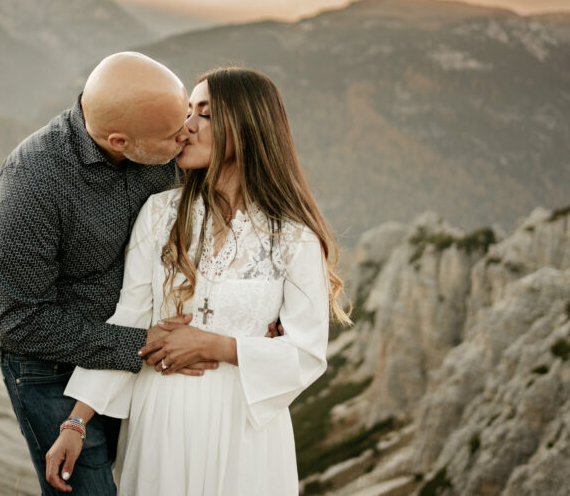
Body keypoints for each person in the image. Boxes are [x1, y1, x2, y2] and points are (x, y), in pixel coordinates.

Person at [45, 66, 351, 495]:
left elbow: (307, 352)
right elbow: (130, 320)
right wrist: (76, 422)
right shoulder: (159, 214)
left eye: (202, 115)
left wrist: (218, 346)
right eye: (187, 110)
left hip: (245, 428)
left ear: (244, 130)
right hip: (162, 419)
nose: (184, 128)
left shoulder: (292, 236)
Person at [0, 52, 205, 496]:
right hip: (51, 369)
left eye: (184, 116)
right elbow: (20, 320)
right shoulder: (33, 183)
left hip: (134, 352)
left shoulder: (159, 135)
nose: (186, 135)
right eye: (172, 134)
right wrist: (144, 344)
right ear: (120, 141)